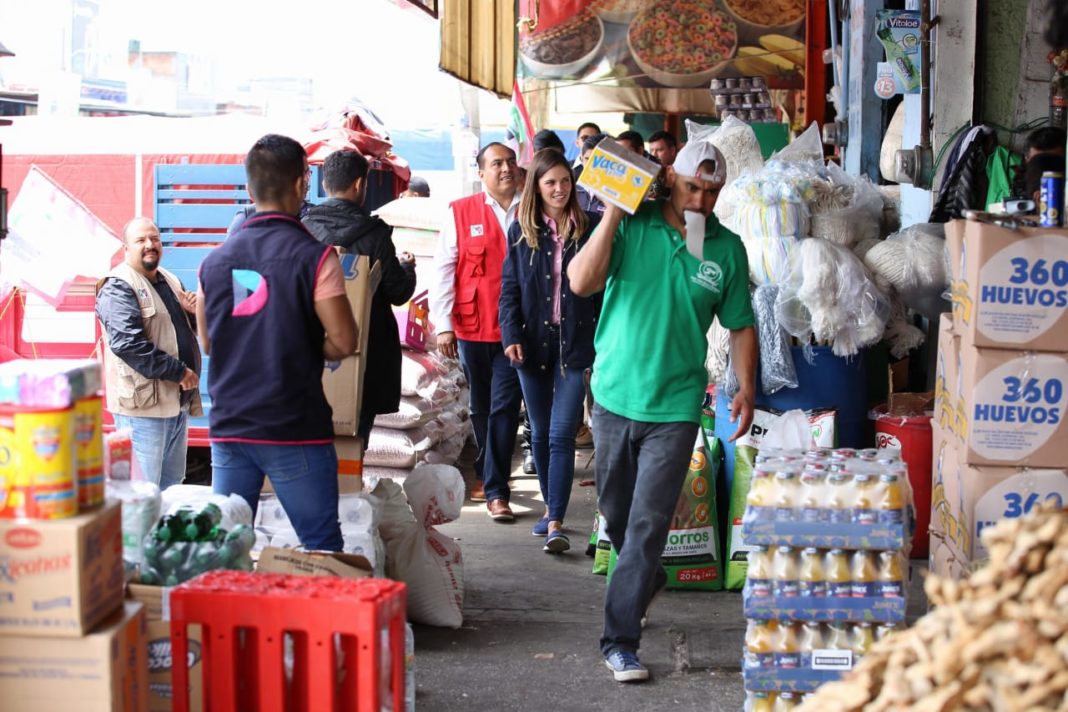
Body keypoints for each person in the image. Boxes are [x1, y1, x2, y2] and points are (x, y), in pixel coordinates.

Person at [568, 140, 758, 683]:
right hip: (612, 397)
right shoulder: (632, 225)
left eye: (712, 191)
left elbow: (741, 323)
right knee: (618, 515)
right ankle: (642, 577)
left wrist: (745, 387)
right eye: (693, 187)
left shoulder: (725, 249)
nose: (701, 201)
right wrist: (613, 215)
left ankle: (619, 641)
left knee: (649, 524)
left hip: (676, 406)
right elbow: (581, 282)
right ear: (670, 177)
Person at [196, 134, 358, 551]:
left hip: (231, 428)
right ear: (303, 184)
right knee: (321, 548)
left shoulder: (212, 264)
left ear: (249, 189)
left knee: (225, 552)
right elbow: (343, 340)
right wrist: (301, 342)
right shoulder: (317, 258)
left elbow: (210, 342)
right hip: (294, 428)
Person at [499, 149, 602, 553]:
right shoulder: (521, 230)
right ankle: (549, 509)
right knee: (539, 433)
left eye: (565, 181)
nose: (559, 189)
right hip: (531, 344)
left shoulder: (588, 227)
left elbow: (602, 289)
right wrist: (510, 334)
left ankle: (556, 518)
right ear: (536, 187)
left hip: (576, 344)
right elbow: (509, 289)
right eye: (550, 182)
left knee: (561, 434)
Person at [430, 142, 524, 521]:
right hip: (471, 327)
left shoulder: (530, 209)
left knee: (503, 407)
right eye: (497, 163)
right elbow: (443, 269)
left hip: (514, 331)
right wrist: (444, 325)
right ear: (481, 172)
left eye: (511, 162)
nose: (505, 169)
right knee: (481, 408)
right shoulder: (461, 211)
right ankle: (489, 474)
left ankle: (496, 489)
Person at [302, 149, 418, 445]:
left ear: (325, 184)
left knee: (312, 434)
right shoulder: (375, 233)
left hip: (310, 349)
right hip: (364, 354)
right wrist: (407, 267)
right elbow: (397, 291)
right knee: (355, 438)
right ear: (358, 184)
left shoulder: (303, 229)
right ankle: (351, 488)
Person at [96, 217, 202, 490]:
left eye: (154, 239)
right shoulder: (118, 286)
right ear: (125, 248)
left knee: (171, 486)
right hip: (142, 412)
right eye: (141, 240)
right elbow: (128, 344)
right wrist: (178, 371)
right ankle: (140, 536)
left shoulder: (168, 278)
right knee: (141, 492)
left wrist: (194, 314)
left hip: (175, 404)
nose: (149, 245)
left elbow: (180, 330)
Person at [575, 132, 609, 215]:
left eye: (597, 160)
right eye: (587, 159)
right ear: (581, 159)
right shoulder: (572, 191)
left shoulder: (618, 196)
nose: (591, 165)